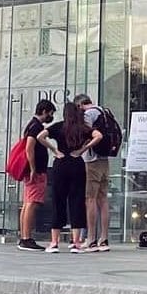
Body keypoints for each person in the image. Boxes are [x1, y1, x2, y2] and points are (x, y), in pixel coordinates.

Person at [47, 101, 90, 253]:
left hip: (60, 163)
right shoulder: (81, 128)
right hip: (76, 163)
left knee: (58, 201)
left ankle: (54, 242)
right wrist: (82, 149)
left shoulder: (59, 127)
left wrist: (54, 150)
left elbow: (40, 136)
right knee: (77, 201)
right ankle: (76, 242)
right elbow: (98, 136)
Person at [18, 100, 55, 252]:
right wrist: (33, 168)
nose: (51, 116)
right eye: (51, 113)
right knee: (32, 203)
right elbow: (29, 148)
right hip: (36, 170)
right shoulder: (36, 127)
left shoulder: (31, 125)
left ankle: (24, 236)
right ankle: (26, 238)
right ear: (44, 111)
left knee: (28, 202)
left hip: (34, 170)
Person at [74, 93, 108, 251]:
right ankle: (104, 239)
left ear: (80, 105)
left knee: (90, 199)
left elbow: (88, 136)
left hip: (91, 160)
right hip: (104, 159)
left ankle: (91, 239)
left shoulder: (88, 114)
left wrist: (82, 149)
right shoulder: (104, 111)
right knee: (103, 199)